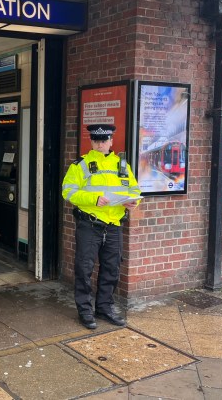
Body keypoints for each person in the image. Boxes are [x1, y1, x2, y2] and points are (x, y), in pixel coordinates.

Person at [61, 124, 141, 330]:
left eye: (104, 140)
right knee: (84, 268)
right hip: (90, 224)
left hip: (113, 225)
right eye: (96, 140)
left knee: (112, 269)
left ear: (111, 141)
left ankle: (105, 307)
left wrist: (133, 202)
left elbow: (134, 189)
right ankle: (85, 310)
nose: (100, 144)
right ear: (91, 141)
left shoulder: (122, 165)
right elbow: (68, 192)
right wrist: (93, 199)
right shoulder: (81, 165)